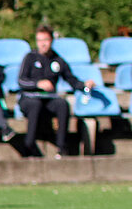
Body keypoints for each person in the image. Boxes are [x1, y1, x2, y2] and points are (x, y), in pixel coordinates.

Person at [16, 25, 94, 158]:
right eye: (39, 40)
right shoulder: (29, 57)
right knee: (35, 104)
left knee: (62, 104)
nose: (43, 44)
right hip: (29, 98)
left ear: (52, 40)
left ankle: (62, 148)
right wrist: (38, 83)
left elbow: (71, 80)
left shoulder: (58, 60)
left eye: (45, 40)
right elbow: (21, 81)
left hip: (48, 99)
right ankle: (29, 144)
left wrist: (85, 85)